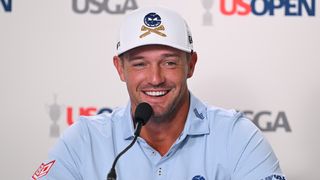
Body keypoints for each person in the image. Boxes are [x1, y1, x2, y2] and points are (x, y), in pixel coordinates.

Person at [32, 6, 286, 180]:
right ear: (120, 69)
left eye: (169, 62)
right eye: (140, 63)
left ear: (191, 65)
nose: (155, 78)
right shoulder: (84, 140)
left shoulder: (237, 137)